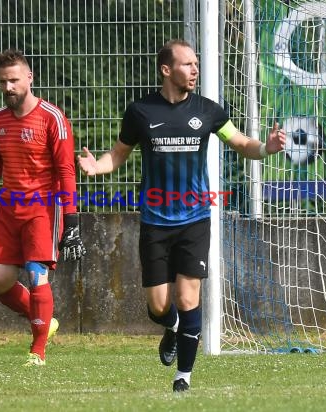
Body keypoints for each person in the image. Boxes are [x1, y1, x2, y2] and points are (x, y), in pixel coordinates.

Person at [77, 39, 285, 392]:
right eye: (187, 64)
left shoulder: (207, 111)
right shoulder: (141, 112)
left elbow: (239, 143)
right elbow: (119, 152)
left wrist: (266, 147)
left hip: (195, 219)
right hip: (155, 222)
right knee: (159, 306)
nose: (194, 70)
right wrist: (98, 167)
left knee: (189, 299)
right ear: (166, 70)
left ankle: (183, 378)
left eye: (196, 64)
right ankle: (170, 328)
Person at [0, 48, 86, 367]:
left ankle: (37, 351)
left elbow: (67, 171)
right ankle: (44, 320)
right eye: (3, 82)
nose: (8, 87)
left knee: (36, 275)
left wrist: (70, 220)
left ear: (29, 78)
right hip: (9, 208)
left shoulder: (52, 118)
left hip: (42, 208)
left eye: (14, 80)